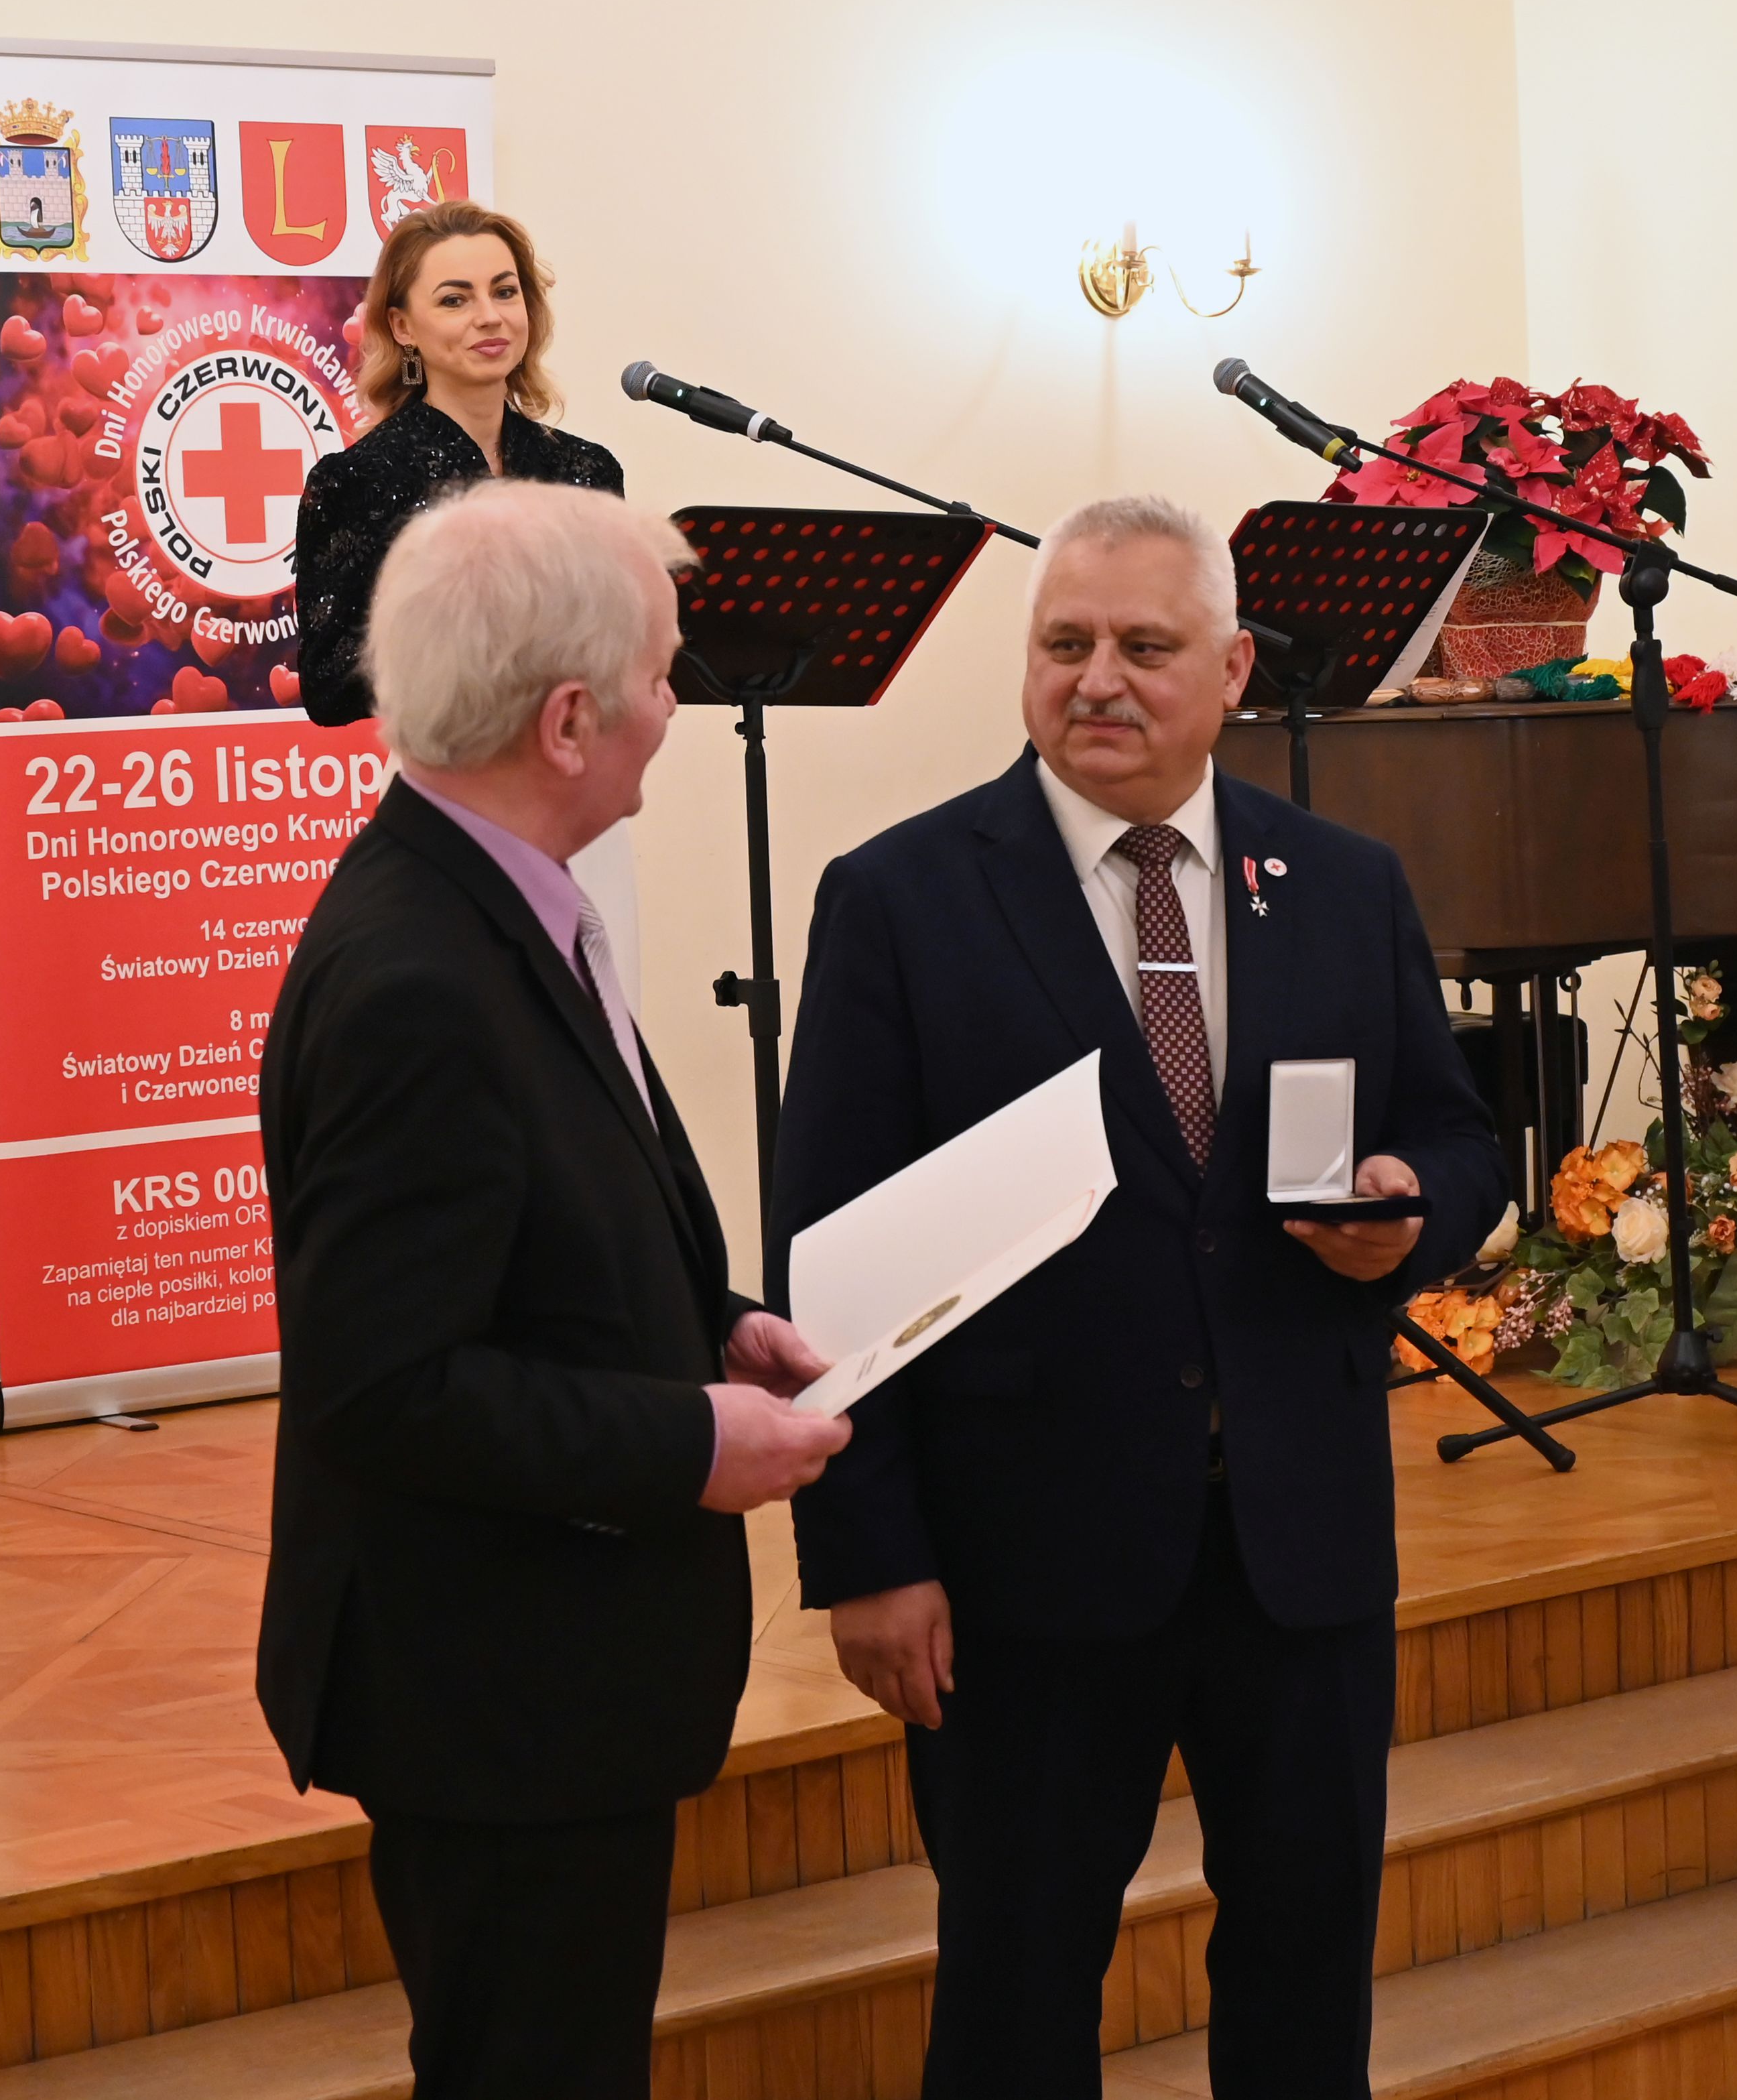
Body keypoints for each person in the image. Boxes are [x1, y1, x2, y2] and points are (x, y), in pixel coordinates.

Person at [778, 495, 1502, 2099]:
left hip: (1299, 1551)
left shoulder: (1342, 881)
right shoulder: (901, 897)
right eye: (1065, 642)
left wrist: (1410, 1210)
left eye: (1144, 645)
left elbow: (1459, 1136)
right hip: (1025, 1565)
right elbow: (830, 1257)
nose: (1097, 678)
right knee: (1017, 1999)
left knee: (1306, 1986)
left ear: (1232, 668)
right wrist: (868, 1552)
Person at [255, 480, 850, 2097]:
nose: (678, 704)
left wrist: (711, 1322)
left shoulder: (497, 901)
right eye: (662, 672)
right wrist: (689, 1440)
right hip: (497, 1692)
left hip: (547, 1672)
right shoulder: (416, 974)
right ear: (572, 719)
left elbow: (539, 1234)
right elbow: (385, 1386)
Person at [291, 200, 622, 727]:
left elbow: (616, 647)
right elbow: (328, 688)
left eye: (505, 292)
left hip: (578, 757)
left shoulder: (586, 469)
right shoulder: (354, 480)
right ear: (402, 326)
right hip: (447, 759)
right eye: (454, 300)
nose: (490, 316)